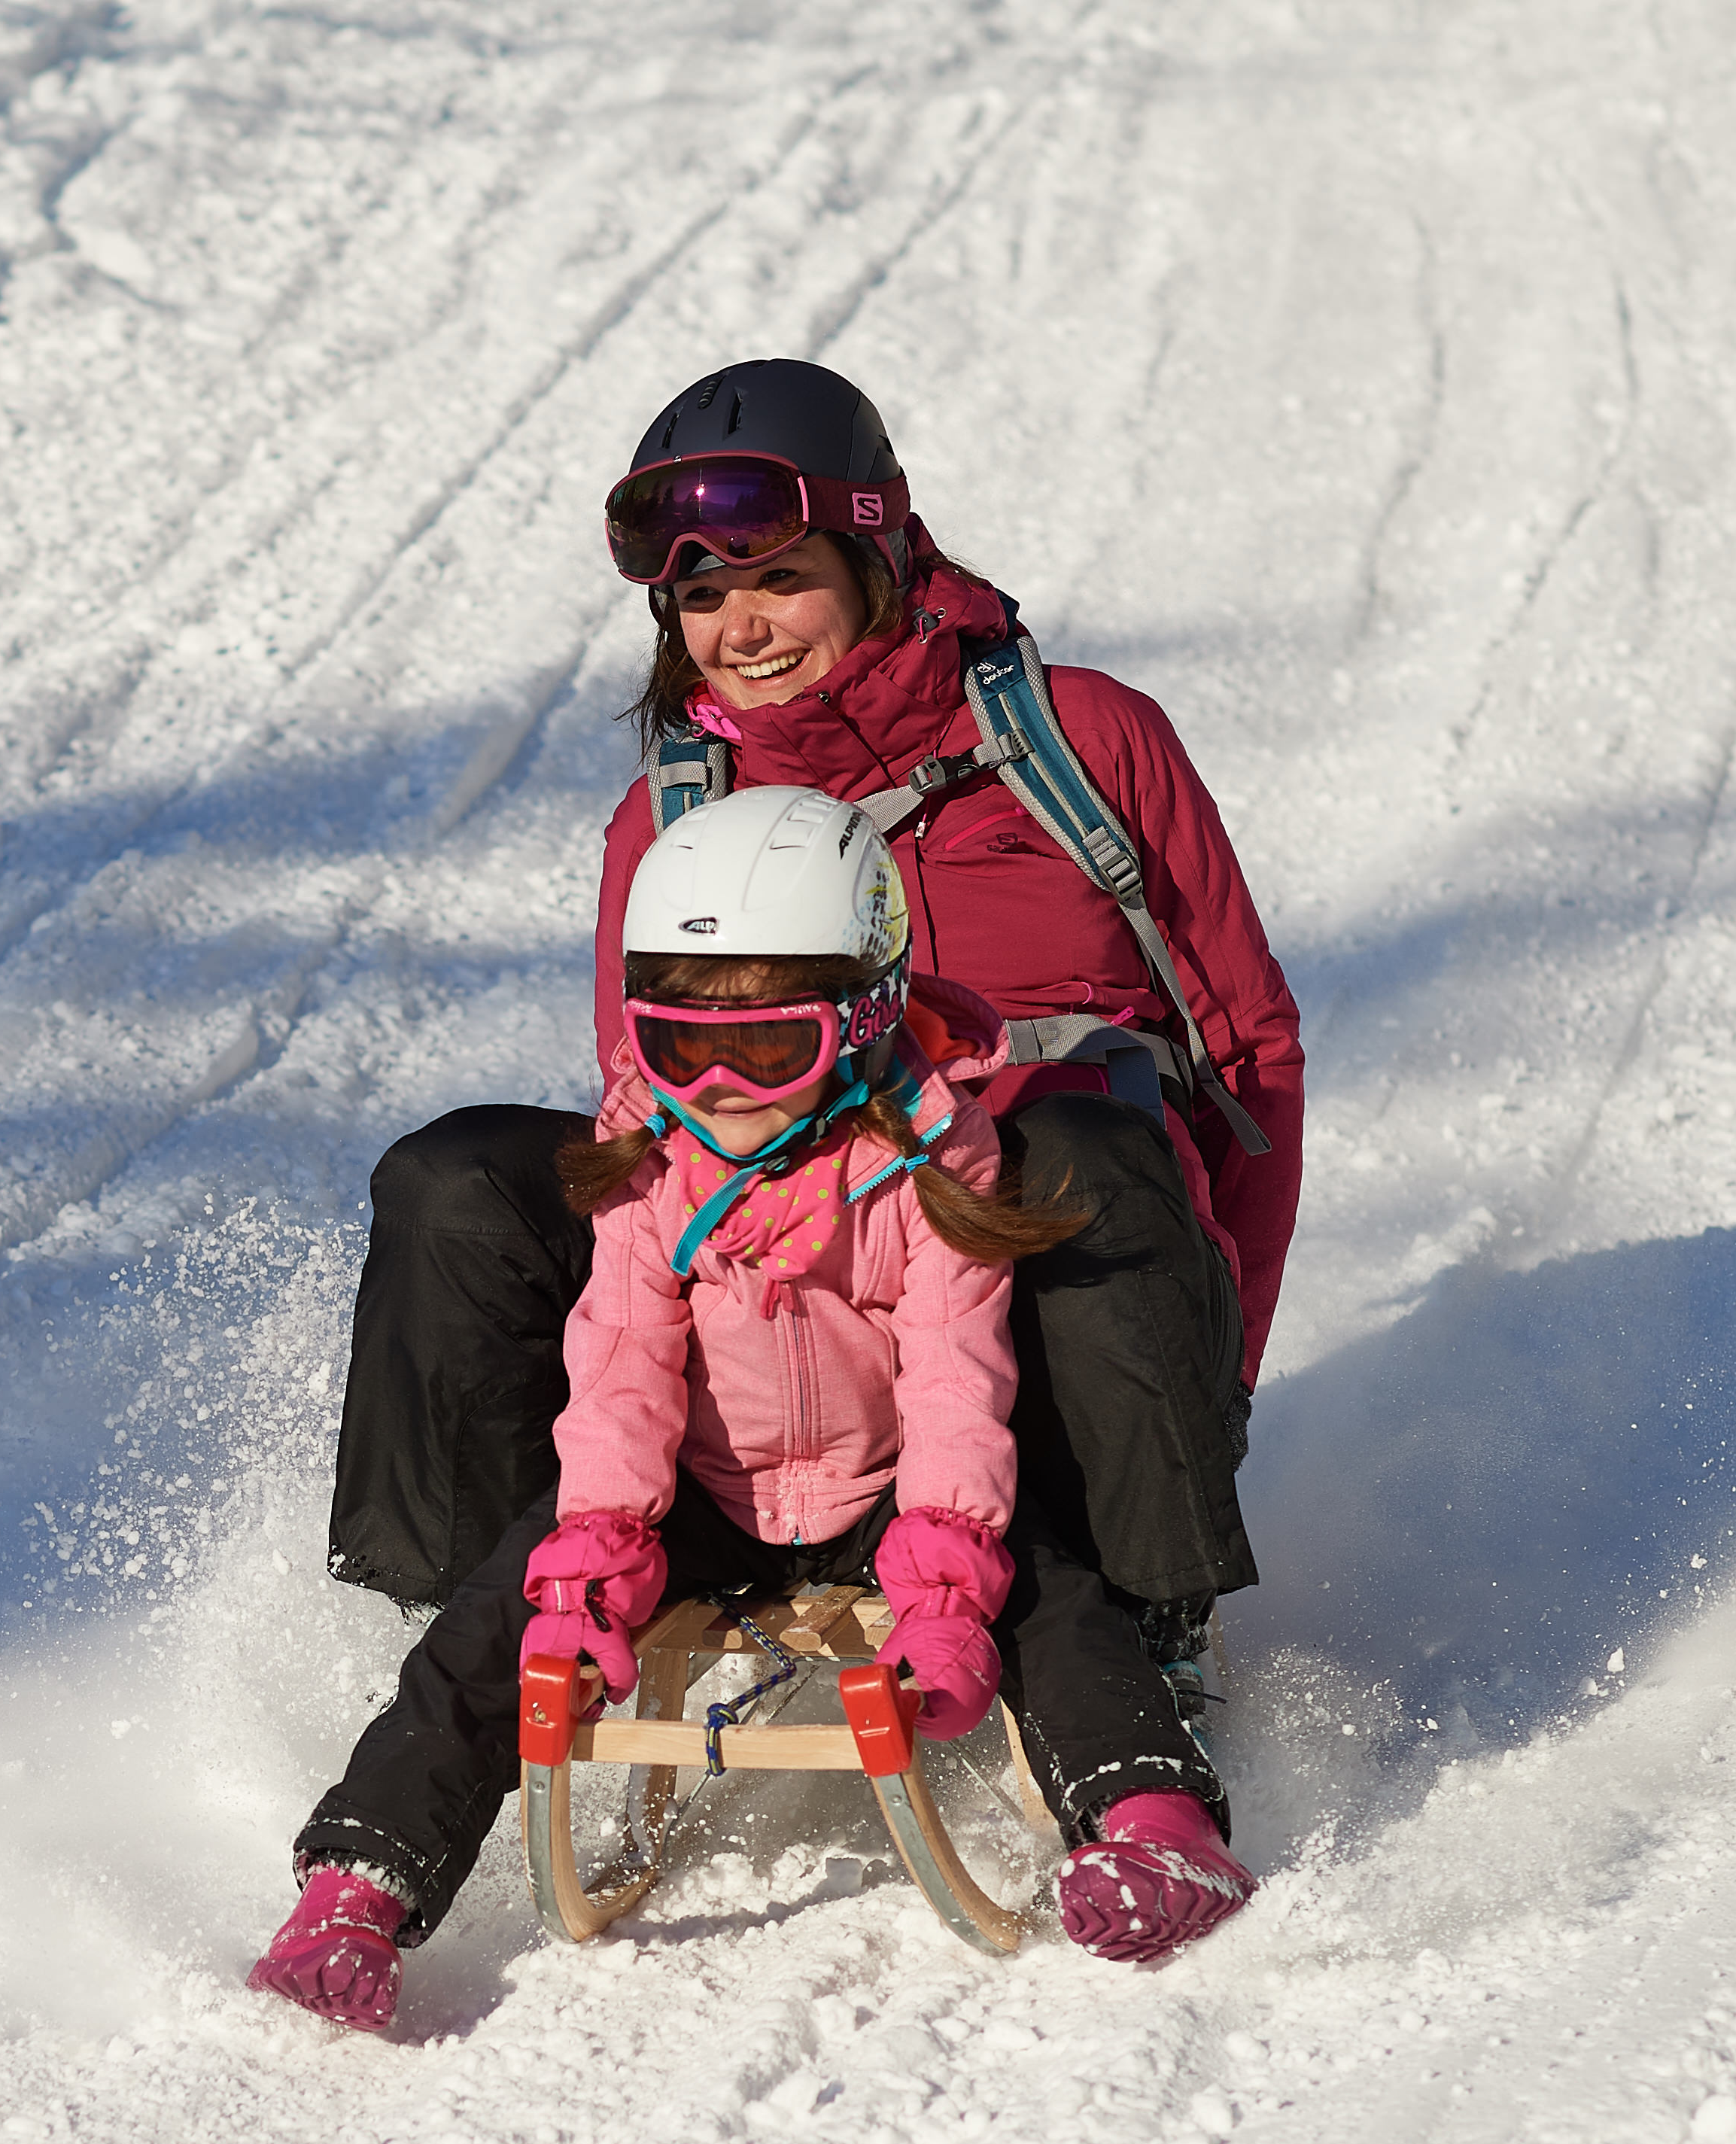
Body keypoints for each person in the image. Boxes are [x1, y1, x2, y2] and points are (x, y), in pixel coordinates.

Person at [315, 360, 1303, 1882]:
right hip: (808, 1310)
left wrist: (1210, 1380)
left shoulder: (1085, 743)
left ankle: (1152, 1619)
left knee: (1091, 1127)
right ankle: (497, 1610)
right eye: (705, 601)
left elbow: (1249, 1056)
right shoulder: (671, 813)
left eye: (781, 578)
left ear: (878, 552)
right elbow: (659, 1123)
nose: (745, 628)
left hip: (1043, 1299)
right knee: (456, 1181)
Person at [251, 787, 1260, 2033]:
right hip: (702, 1491)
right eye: (681, 1048)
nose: (722, 1086)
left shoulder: (936, 1159)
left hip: (886, 1485)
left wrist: (947, 1587)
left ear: (864, 1017)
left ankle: (1154, 1824)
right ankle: (355, 1890)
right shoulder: (647, 1160)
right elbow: (620, 1371)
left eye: (771, 1049)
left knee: (1053, 1601)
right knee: (491, 1626)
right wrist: (597, 1552)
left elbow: (958, 1376)